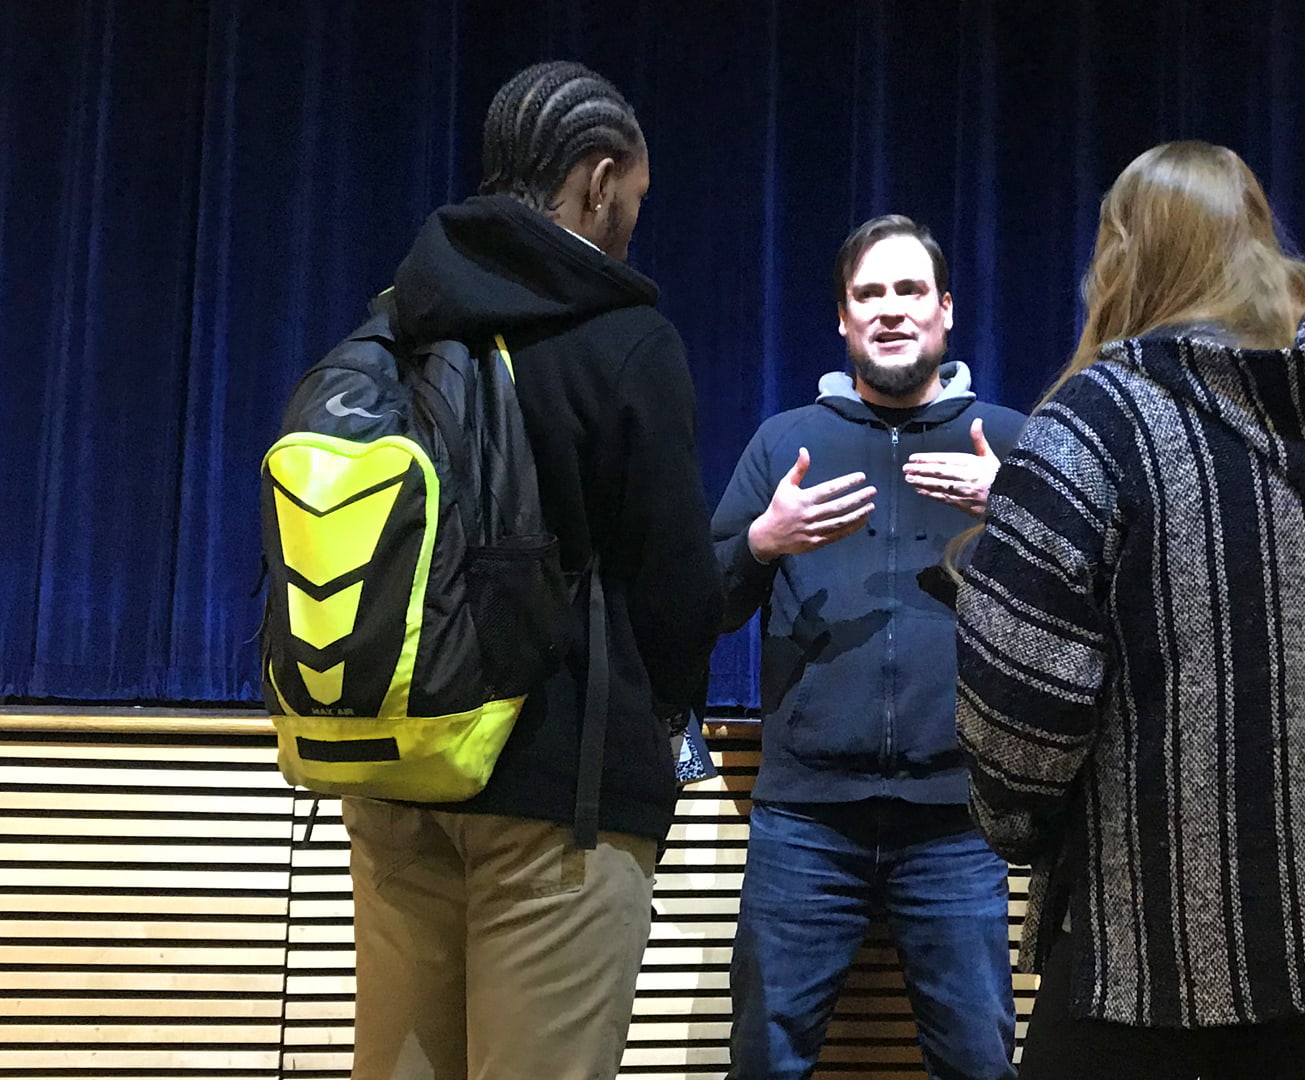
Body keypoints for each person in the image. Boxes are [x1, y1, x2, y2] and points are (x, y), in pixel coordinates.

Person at [954, 141, 1305, 1079]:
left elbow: (1021, 722)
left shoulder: (1091, 427)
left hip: (1149, 978)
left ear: (1124, 256)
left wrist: (1015, 825)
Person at [340, 61, 721, 1080]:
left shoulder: (400, 315)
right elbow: (679, 595)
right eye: (634, 199)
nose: (633, 222)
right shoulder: (627, 340)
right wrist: (668, 719)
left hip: (395, 771)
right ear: (599, 180)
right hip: (562, 797)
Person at [711, 215, 1026, 1079]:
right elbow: (702, 604)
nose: (891, 311)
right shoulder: (785, 444)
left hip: (960, 823)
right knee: (763, 1064)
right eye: (869, 295)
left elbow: (1088, 612)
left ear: (946, 311)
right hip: (805, 822)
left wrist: (1020, 519)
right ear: (843, 321)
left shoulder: (1007, 440)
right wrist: (762, 543)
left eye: (909, 291)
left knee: (979, 1065)